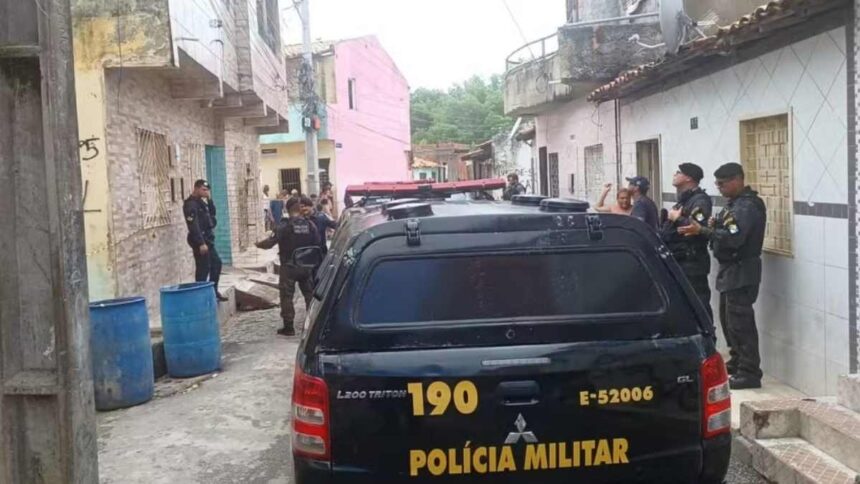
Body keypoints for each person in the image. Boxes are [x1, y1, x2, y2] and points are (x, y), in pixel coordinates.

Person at [679, 162, 766, 389]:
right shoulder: (735, 205)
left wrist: (704, 230)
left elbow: (735, 238)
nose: (719, 188)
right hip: (731, 270)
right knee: (728, 320)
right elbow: (728, 230)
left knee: (741, 322)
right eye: (717, 184)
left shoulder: (746, 207)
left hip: (741, 270)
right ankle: (738, 361)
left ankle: (750, 371)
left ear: (737, 180)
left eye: (722, 184)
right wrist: (714, 225)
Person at [256, 197, 320, 336]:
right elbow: (317, 243)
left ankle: (289, 327)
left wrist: (257, 244)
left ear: (287, 209)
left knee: (286, 296)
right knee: (309, 295)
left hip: (289, 267)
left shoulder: (284, 226)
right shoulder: (310, 225)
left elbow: (270, 243)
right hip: (306, 266)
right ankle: (312, 325)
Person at [661, 163, 714, 323]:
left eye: (679, 172)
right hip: (679, 260)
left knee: (698, 303)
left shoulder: (699, 201)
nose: (675, 175)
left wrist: (677, 219)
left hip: (692, 262)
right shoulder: (685, 199)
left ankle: (707, 341)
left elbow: (696, 228)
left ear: (689, 178)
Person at [184, 180, 228, 302]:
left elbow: (213, 213)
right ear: (196, 188)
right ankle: (200, 296)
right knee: (203, 268)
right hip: (200, 241)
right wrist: (201, 243)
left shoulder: (201, 203)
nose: (206, 192)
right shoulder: (190, 204)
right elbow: (193, 225)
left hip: (208, 240)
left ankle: (213, 291)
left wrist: (209, 199)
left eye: (207, 190)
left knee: (216, 264)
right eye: (203, 189)